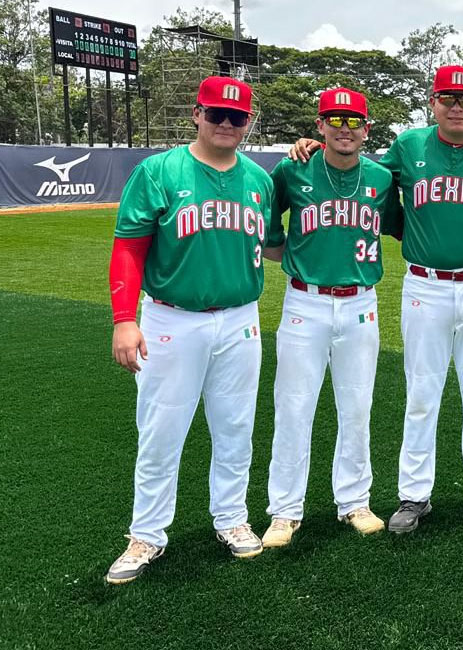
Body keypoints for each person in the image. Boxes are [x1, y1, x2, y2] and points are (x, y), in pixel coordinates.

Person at [289, 65, 463, 532]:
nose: (457, 105)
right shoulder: (408, 146)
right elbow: (366, 180)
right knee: (422, 391)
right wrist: (313, 148)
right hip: (425, 283)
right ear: (433, 102)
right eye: (448, 97)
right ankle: (415, 495)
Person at [105, 76, 274, 584]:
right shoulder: (158, 171)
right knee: (161, 431)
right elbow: (129, 246)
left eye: (237, 116)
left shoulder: (259, 180)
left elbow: (272, 244)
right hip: (171, 318)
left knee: (236, 427)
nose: (226, 123)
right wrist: (124, 318)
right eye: (216, 114)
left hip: (241, 318)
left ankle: (232, 519)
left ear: (248, 122)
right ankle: (147, 534)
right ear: (196, 115)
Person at [259, 88, 402, 548]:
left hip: (361, 301)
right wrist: (284, 248)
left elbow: (400, 223)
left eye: (353, 121)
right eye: (334, 120)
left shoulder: (381, 177)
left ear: (367, 129)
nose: (344, 128)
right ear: (319, 126)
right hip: (306, 300)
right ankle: (284, 510)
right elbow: (265, 220)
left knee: (357, 406)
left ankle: (355, 501)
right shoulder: (294, 167)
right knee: (294, 406)